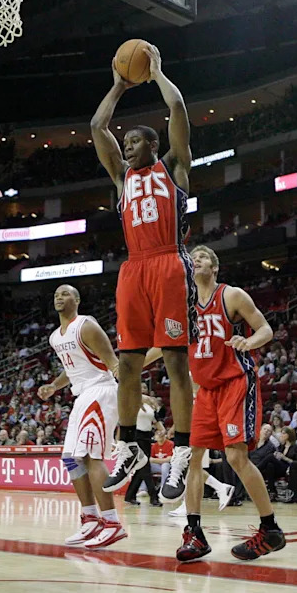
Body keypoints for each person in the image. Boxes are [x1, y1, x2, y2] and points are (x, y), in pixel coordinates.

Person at [92, 43, 196, 502]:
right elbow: (97, 127)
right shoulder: (122, 180)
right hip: (133, 269)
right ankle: (131, 446)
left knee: (175, 361)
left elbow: (176, 107)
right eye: (126, 143)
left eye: (134, 141)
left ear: (153, 145)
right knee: (128, 363)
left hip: (169, 261)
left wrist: (155, 73)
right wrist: (118, 85)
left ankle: (183, 451)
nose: (127, 146)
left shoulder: (174, 167)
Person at [145, 245, 284, 561]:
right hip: (205, 390)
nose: (196, 259)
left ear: (215, 267)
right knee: (193, 456)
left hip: (235, 382)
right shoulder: (184, 307)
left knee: (236, 457)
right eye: (193, 257)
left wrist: (247, 341)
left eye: (203, 257)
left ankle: (270, 528)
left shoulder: (232, 296)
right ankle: (194, 534)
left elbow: (266, 329)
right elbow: (163, 344)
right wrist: (131, 365)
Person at [38, 285, 126, 548]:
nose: (58, 297)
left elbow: (112, 362)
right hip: (82, 395)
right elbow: (73, 368)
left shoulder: (86, 325)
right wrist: (54, 386)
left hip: (101, 391)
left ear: (76, 300)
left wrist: (134, 395)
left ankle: (112, 523)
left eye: (65, 294)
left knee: (90, 456)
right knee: (70, 458)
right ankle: (90, 519)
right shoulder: (55, 337)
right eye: (55, 294)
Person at [124, 390, 163, 507]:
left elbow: (156, 422)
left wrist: (162, 430)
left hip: (147, 437)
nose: (144, 389)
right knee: (145, 467)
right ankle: (154, 497)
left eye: (145, 387)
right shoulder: (133, 401)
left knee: (142, 468)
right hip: (137, 436)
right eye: (141, 387)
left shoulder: (151, 405)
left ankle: (129, 496)